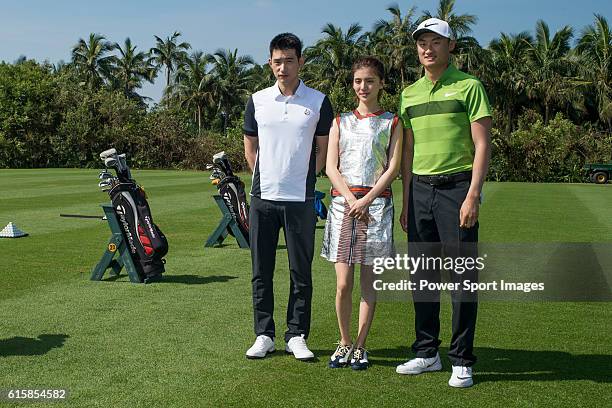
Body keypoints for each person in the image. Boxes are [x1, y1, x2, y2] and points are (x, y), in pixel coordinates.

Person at [395, 18, 492, 388]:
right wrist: (407, 201)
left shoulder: (469, 86)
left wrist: (473, 194)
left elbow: (482, 144)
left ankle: (462, 359)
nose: (427, 49)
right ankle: (426, 353)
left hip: (457, 189)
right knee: (422, 275)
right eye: (422, 42)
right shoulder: (410, 94)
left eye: (436, 42)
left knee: (463, 276)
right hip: (420, 191)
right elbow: (408, 152)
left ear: (450, 46)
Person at [243, 33, 334, 361]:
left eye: (289, 60)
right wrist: (267, 177)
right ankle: (263, 333)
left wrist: (305, 178)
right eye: (277, 61)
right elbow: (250, 148)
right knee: (260, 269)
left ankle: (297, 334)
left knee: (301, 271)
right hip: (262, 198)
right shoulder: (257, 100)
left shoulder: (318, 101)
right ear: (270, 63)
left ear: (301, 62)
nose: (283, 67)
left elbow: (323, 149)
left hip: (300, 200)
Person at [321, 56, 403, 370]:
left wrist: (366, 199)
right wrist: (350, 199)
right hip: (343, 207)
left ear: (381, 83)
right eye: (358, 81)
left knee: (369, 284)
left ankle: (360, 345)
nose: (363, 87)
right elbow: (331, 167)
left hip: (376, 207)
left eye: (369, 81)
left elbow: (393, 167)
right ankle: (343, 342)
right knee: (343, 284)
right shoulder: (340, 121)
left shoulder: (393, 122)